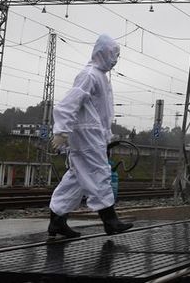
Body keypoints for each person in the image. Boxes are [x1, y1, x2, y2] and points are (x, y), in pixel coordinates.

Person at [48, 34, 133, 237]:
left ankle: (57, 221)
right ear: (103, 52)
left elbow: (101, 111)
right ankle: (110, 221)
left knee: (76, 178)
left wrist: (105, 135)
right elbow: (69, 103)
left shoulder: (100, 77)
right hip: (86, 135)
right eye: (114, 55)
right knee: (99, 172)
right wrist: (61, 131)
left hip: (92, 134)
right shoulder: (89, 75)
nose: (115, 60)